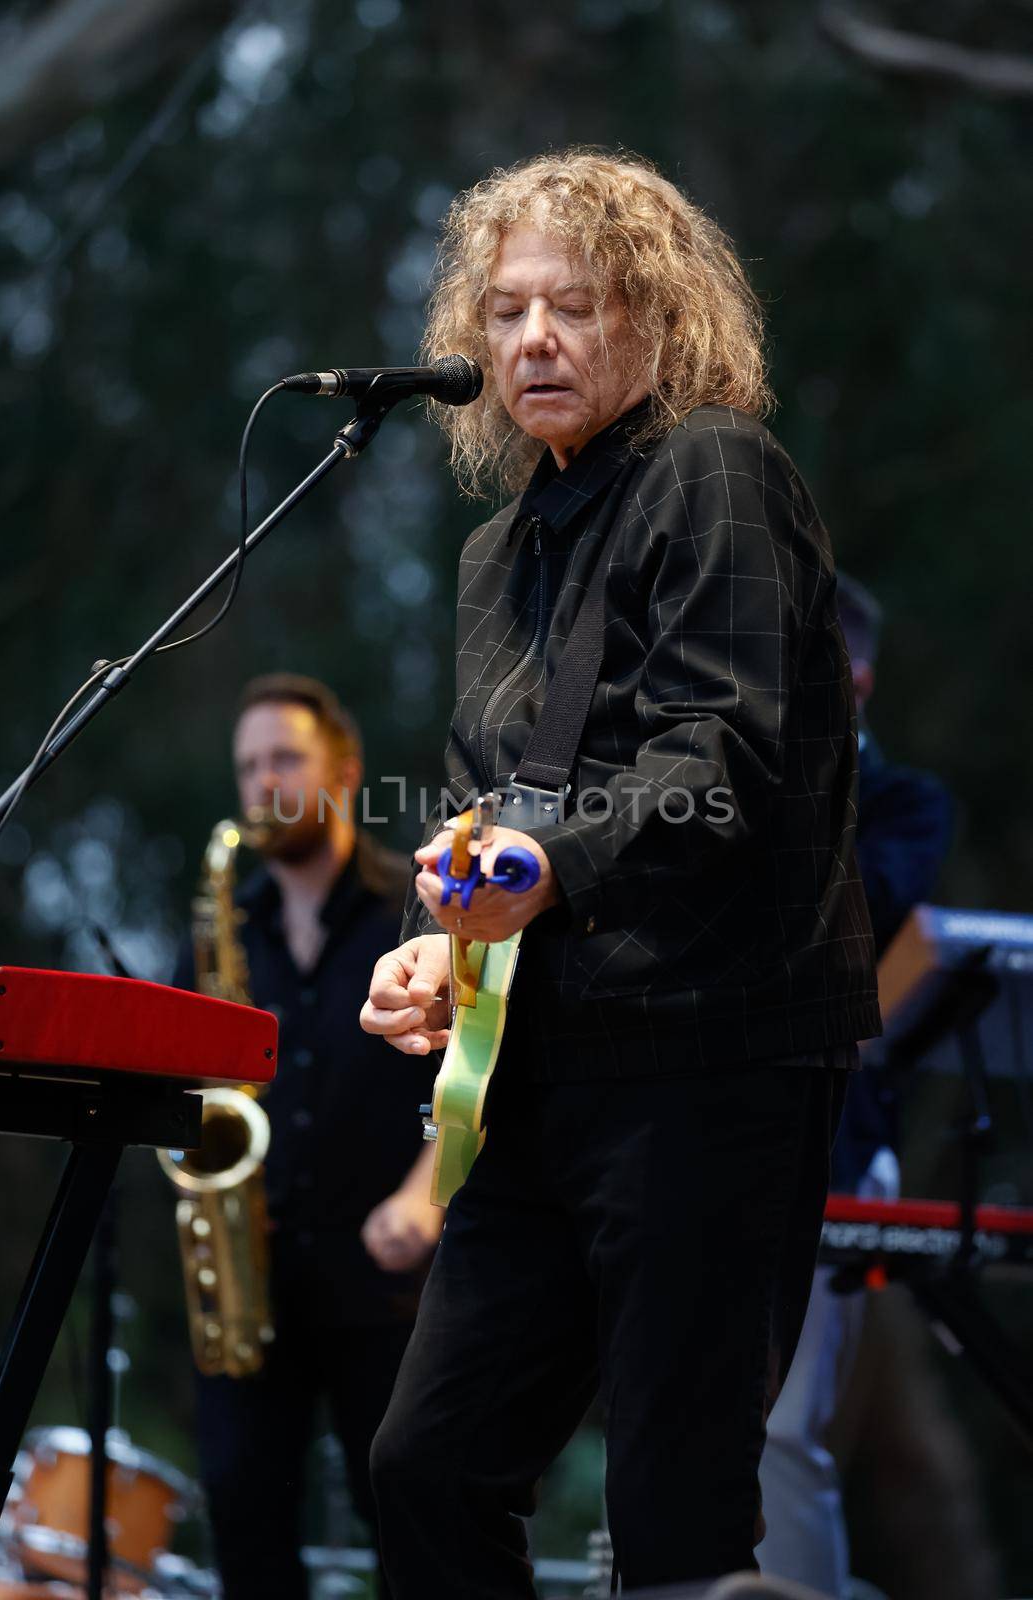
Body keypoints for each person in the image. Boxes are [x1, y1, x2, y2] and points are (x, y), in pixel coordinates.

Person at [359, 149, 881, 1598]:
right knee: (424, 1470)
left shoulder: (711, 468)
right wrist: (428, 938)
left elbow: (720, 754)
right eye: (508, 310)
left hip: (706, 1066)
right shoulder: (493, 550)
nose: (531, 339)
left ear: (656, 321)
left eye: (574, 307)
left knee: (673, 1518)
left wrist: (543, 861)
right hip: (537, 1069)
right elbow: (480, 806)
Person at [172, 673, 441, 1600]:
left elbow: (481, 1074)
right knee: (245, 1530)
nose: (263, 782)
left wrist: (424, 1194)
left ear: (346, 772)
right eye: (248, 765)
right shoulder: (220, 928)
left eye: (285, 758)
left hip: (393, 1287)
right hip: (257, 1286)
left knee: (419, 1531)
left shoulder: (417, 909)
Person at [758, 574, 953, 1597]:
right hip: (706, 1139)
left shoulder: (901, 804)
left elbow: (856, 914)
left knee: (782, 1427)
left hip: (828, 1148)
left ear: (857, 681)